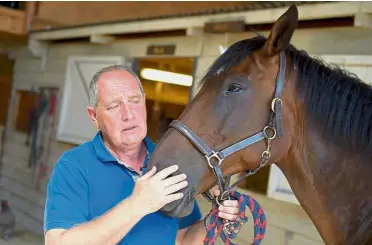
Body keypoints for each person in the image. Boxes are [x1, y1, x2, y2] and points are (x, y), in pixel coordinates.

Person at [43, 65, 243, 245]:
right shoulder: (74, 166)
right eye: (114, 106)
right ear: (94, 116)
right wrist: (138, 204)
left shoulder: (171, 161)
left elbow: (182, 240)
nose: (128, 114)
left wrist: (214, 220)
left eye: (134, 101)